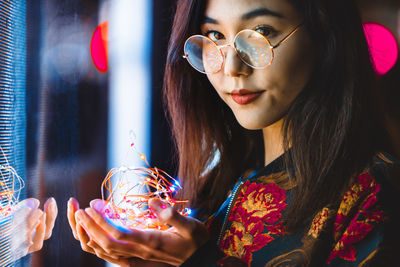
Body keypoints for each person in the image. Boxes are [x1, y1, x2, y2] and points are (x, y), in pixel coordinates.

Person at [67, 0, 400, 266]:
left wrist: (201, 261)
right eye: (215, 36)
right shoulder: (220, 182)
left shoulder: (372, 192)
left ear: (324, 36)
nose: (231, 68)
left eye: (262, 31)